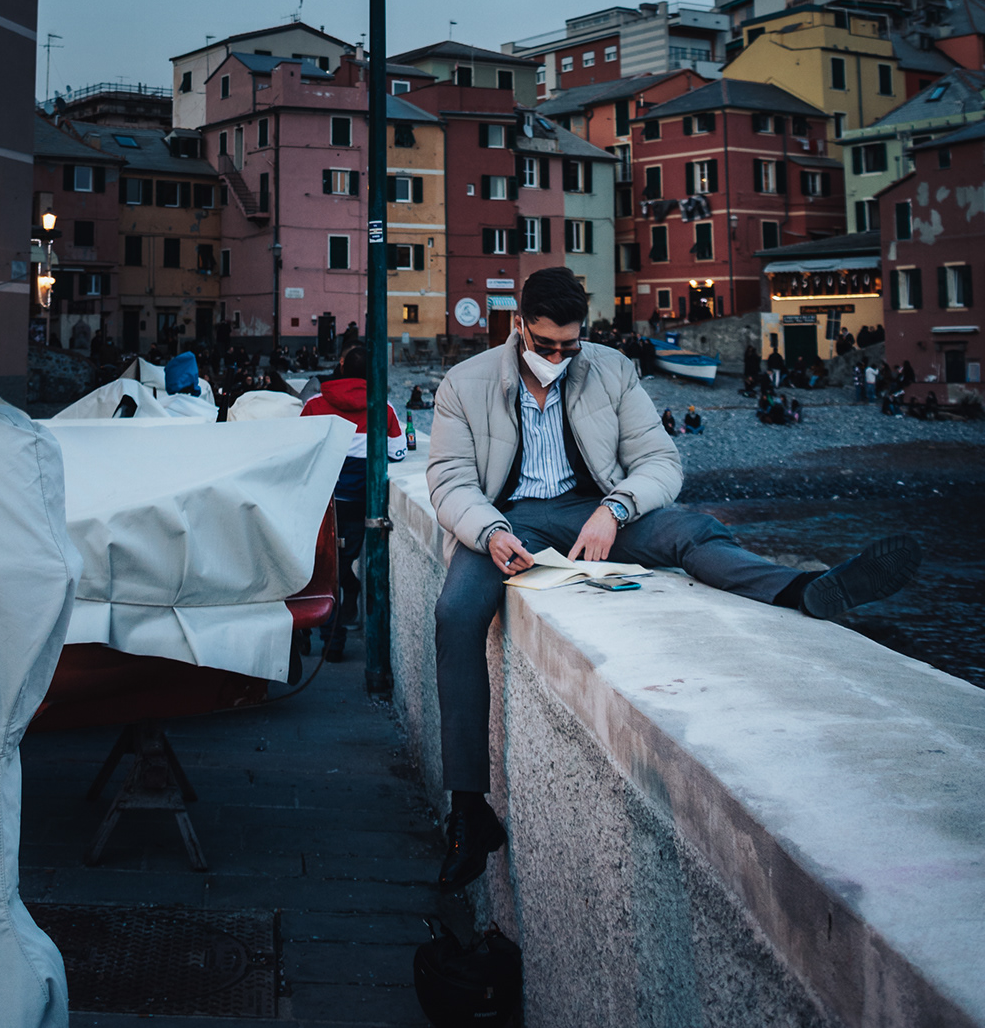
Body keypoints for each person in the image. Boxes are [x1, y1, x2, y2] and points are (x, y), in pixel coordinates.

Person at [426, 267, 922, 892]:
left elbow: (661, 461)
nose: (555, 358)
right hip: (505, 520)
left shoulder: (611, 369)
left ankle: (800, 589)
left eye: (568, 346)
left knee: (691, 530)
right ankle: (469, 810)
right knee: (456, 614)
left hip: (594, 511)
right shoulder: (465, 382)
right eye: (543, 345)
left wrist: (616, 509)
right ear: (519, 325)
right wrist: (491, 531)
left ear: (584, 333)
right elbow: (449, 479)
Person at [301, 346, 404, 661]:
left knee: (321, 568)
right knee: (340, 566)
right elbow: (398, 452)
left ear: (341, 366)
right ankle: (337, 627)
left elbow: (299, 451)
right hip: (360, 503)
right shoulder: (383, 408)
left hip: (322, 503)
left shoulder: (314, 404)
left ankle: (324, 638)